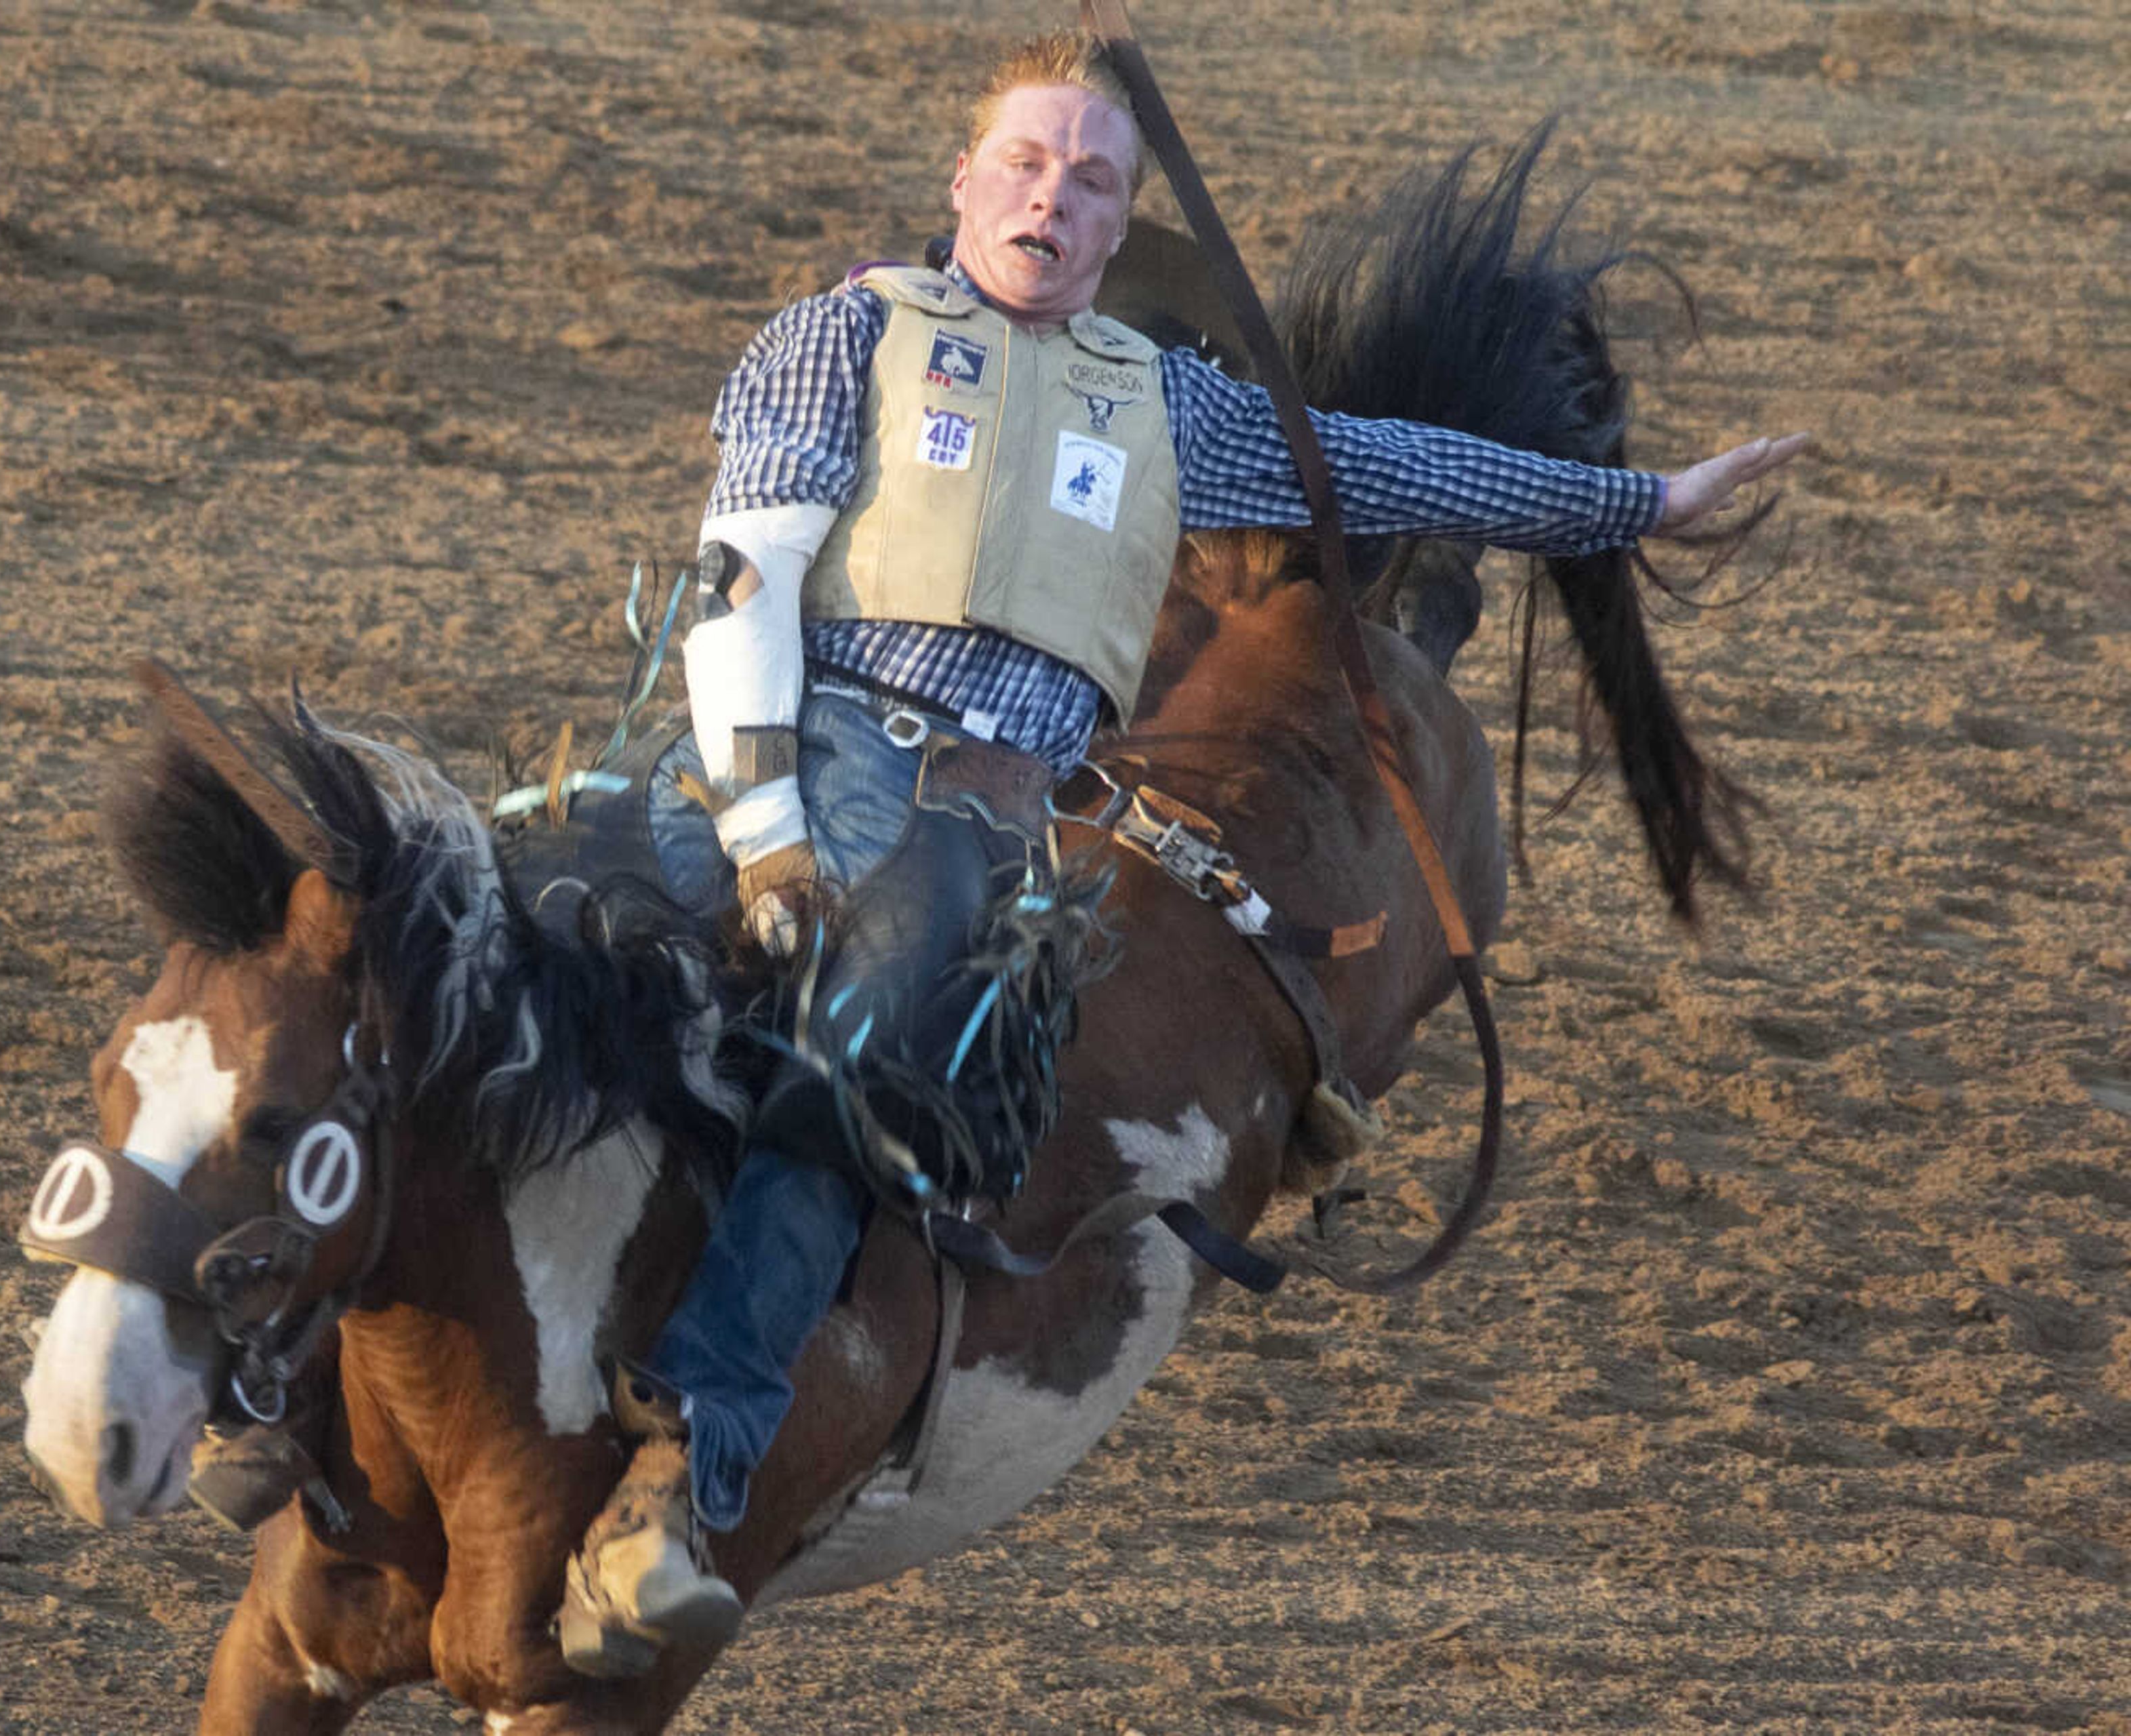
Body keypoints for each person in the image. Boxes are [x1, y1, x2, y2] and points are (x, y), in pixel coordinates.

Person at [556, 28, 1805, 1678]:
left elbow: (1392, 466)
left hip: (974, 819)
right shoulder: (844, 335)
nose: (1052, 199)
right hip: (791, 740)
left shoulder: (1164, 408)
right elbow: (742, 580)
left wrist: (1625, 508)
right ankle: (263, 1332)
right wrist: (770, 828)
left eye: (1090, 181)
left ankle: (698, 1442)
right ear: (964, 183)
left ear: (1118, 220)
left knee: (865, 1057)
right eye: (1026, 163)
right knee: (536, 906)